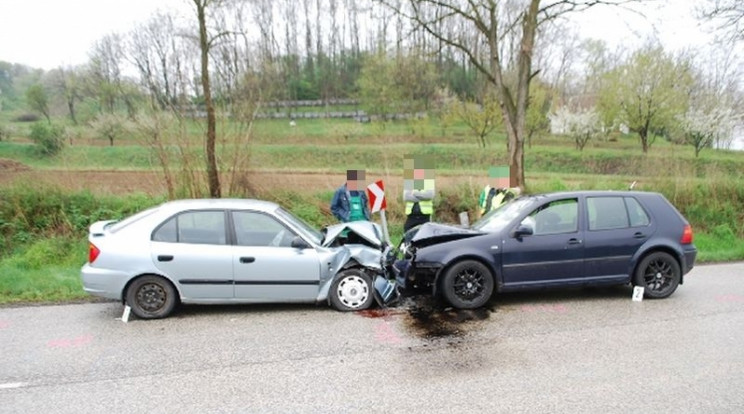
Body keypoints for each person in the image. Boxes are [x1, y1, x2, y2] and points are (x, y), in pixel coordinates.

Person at [403, 157, 435, 232]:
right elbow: (406, 197)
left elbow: (430, 195)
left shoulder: (428, 181)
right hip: (411, 217)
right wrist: (422, 196)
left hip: (424, 217)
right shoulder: (410, 181)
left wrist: (415, 193)